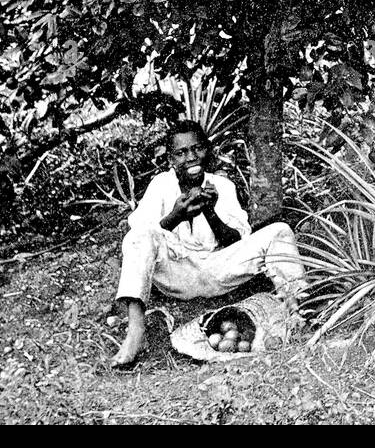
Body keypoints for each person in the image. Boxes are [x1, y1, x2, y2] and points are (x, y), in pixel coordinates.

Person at [110, 119, 306, 368]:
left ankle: (296, 310)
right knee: (137, 237)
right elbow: (141, 236)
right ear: (171, 159)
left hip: (218, 269)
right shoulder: (161, 185)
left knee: (280, 231)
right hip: (178, 273)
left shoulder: (222, 185)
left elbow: (236, 240)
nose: (191, 157)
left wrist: (211, 213)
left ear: (207, 149)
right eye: (181, 153)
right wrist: (175, 216)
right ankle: (135, 331)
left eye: (197, 149)